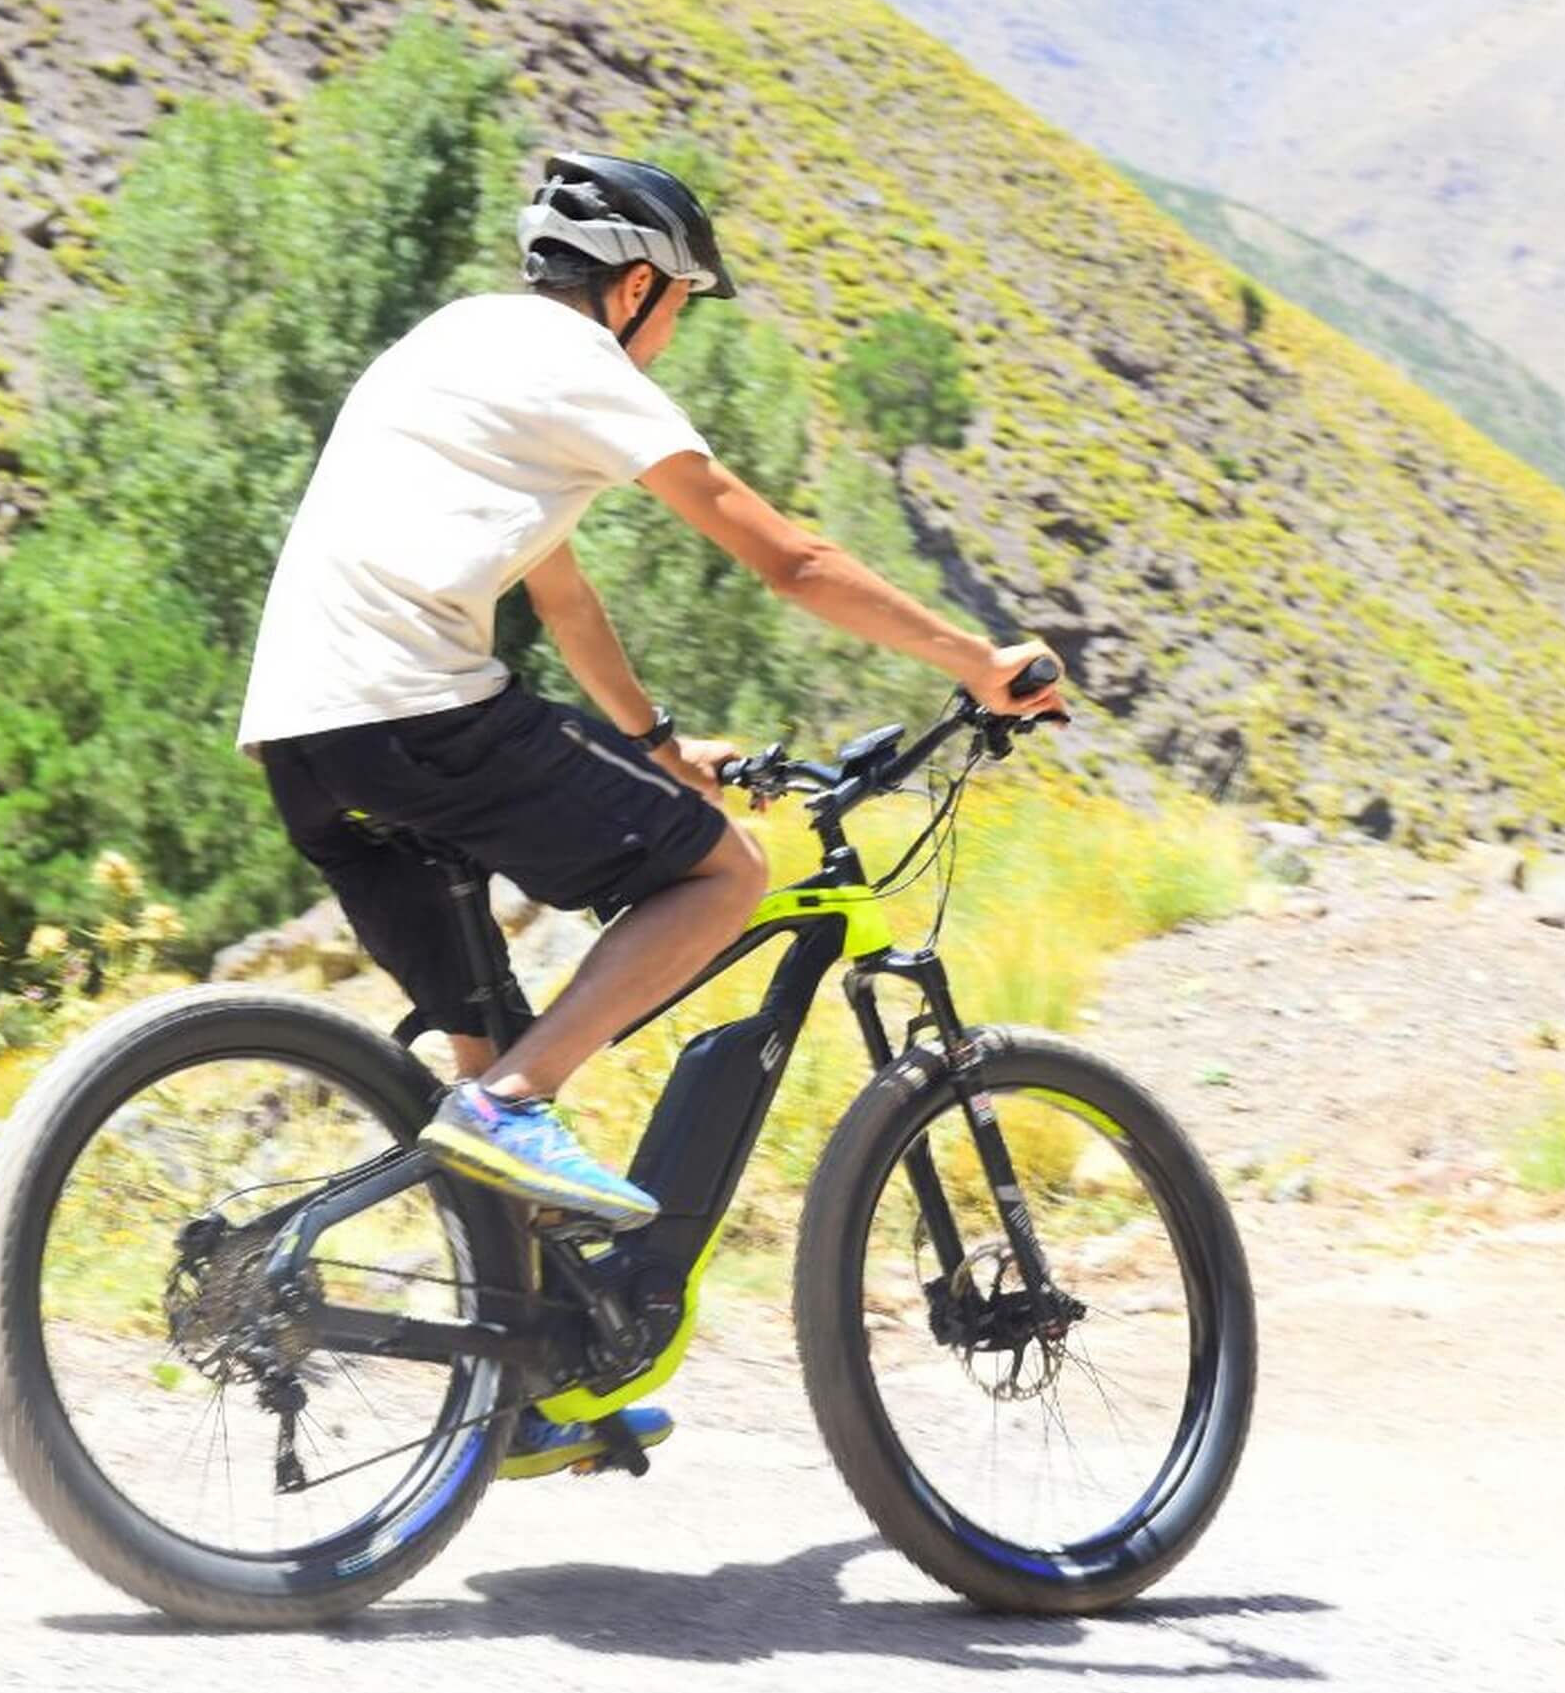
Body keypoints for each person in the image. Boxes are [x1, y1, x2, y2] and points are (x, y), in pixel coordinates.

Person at [237, 151, 1068, 1478]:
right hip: (415, 711)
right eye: (680, 302)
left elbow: (556, 593)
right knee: (722, 881)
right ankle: (519, 1102)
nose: (674, 331)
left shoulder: (453, 351)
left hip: (305, 739)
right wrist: (979, 665)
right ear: (632, 286)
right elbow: (787, 558)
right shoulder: (581, 367)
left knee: (483, 1051)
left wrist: (659, 747)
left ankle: (520, 1387)